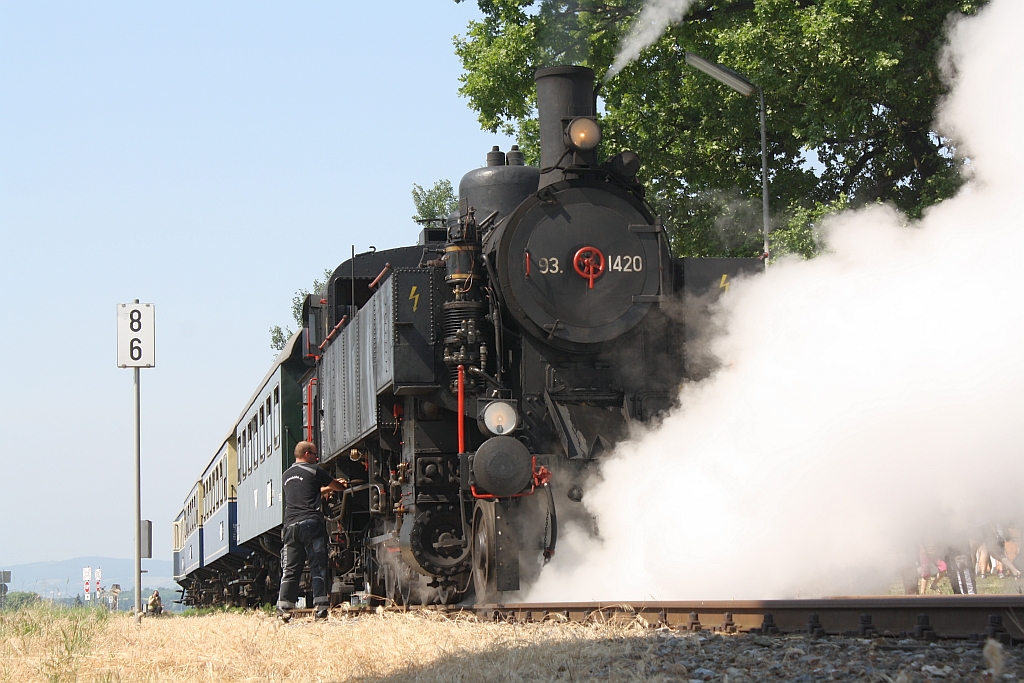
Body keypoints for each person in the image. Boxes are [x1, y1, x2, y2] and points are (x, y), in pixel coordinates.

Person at [276, 441, 348, 621]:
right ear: (307, 454)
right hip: (310, 525)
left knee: (291, 570)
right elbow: (337, 487)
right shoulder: (314, 470)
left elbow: (309, 492)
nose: (317, 458)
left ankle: (283, 610)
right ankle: (321, 609)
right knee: (318, 567)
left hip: (290, 527)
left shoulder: (286, 475)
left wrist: (325, 489)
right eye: (315, 454)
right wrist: (339, 485)